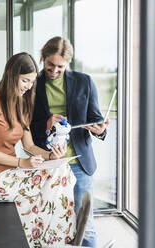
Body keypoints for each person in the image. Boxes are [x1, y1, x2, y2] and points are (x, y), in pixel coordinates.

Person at [0, 52, 76, 247]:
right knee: (55, 182)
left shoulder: (21, 104)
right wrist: (23, 163)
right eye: (25, 80)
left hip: (13, 173)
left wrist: (50, 154)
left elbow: (29, 146)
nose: (29, 86)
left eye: (31, 82)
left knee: (63, 170)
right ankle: (55, 242)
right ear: (12, 75)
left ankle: (45, 240)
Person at [30, 36, 109, 247]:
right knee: (48, 222)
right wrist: (47, 123)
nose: (54, 71)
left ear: (68, 64)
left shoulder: (84, 82)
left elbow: (95, 119)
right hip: (47, 163)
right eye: (50, 65)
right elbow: (26, 127)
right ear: (42, 58)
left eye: (60, 67)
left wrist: (100, 130)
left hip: (78, 164)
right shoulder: (32, 85)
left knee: (85, 225)